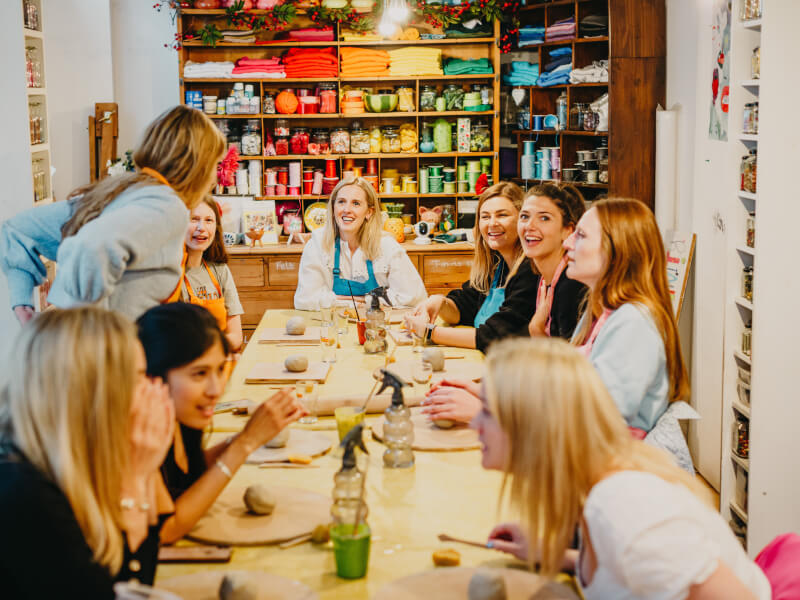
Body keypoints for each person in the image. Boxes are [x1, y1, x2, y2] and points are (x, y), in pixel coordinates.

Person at [475, 337, 771, 599]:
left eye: (487, 411)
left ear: (532, 427)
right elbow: (628, 569)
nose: (475, 423)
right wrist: (553, 554)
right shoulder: (597, 488)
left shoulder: (620, 504)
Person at [0, 307, 175, 597]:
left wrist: (144, 469)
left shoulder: (69, 462)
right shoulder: (22, 495)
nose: (154, 390)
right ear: (90, 392)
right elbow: (114, 589)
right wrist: (134, 476)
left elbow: (141, 580)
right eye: (137, 378)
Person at [1, 105, 226, 324]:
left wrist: (23, 303)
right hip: (110, 355)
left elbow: (17, 231)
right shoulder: (166, 206)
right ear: (198, 166)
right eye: (215, 164)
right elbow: (90, 246)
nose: (215, 177)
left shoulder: (117, 192)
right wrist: (82, 324)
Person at [136, 303, 305, 544]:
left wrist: (249, 434)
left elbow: (186, 476)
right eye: (199, 374)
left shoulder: (175, 417)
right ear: (153, 374)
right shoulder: (135, 434)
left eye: (220, 370)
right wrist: (245, 444)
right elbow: (166, 529)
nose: (216, 389)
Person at [563, 197, 689, 435]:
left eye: (580, 235)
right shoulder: (601, 313)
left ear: (616, 248)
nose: (568, 242)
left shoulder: (634, 322)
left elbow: (601, 417)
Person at [404, 182, 538, 352]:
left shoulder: (530, 270)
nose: (492, 223)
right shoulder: (497, 265)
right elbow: (465, 307)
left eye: (502, 215)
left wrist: (430, 333)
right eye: (485, 216)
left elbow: (497, 336)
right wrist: (439, 301)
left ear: (522, 220)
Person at [294, 178, 427, 311]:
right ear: (333, 208)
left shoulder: (386, 246)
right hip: (335, 328)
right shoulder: (318, 244)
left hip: (376, 327)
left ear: (369, 212)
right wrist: (370, 300)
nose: (347, 209)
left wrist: (358, 300)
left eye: (356, 203)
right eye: (341, 202)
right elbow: (304, 300)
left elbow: (414, 298)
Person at [519, 183, 587, 340]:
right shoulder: (543, 278)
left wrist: (536, 329)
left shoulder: (572, 284)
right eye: (524, 216)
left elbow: (570, 362)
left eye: (544, 218)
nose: (529, 226)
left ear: (568, 231)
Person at [181, 196, 244, 351]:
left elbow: (236, 336)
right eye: (194, 219)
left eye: (209, 220)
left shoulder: (220, 270)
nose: (201, 227)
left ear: (216, 228)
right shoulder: (171, 274)